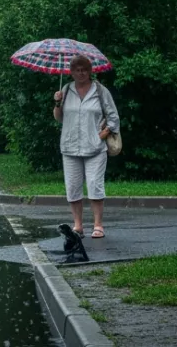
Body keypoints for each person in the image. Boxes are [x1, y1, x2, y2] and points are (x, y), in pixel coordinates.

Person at [52, 55, 119, 239]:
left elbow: (113, 117)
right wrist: (57, 102)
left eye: (84, 69)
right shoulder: (66, 90)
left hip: (95, 148)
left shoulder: (100, 90)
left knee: (94, 185)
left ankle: (98, 225)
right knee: (73, 187)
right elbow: (59, 118)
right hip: (70, 146)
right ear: (71, 72)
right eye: (77, 70)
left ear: (90, 71)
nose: (80, 73)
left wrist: (102, 135)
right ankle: (78, 226)